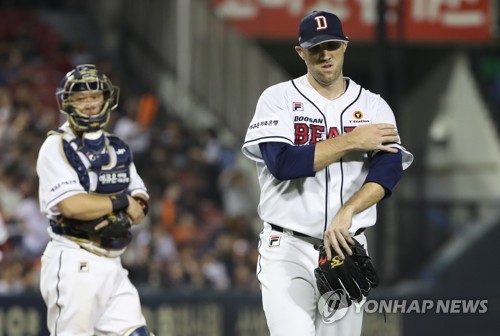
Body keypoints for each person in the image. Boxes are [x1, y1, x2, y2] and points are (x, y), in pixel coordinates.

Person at [241, 11, 414, 336]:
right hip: (288, 248)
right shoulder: (278, 99)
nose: (325, 54)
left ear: (344, 46)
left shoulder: (375, 107)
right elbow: (282, 164)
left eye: (331, 45)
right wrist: (353, 140)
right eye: (315, 47)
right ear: (300, 52)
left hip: (345, 246)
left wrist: (348, 212)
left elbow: (388, 170)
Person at [36, 64, 153, 336]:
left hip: (114, 262)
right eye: (80, 98)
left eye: (94, 96)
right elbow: (71, 205)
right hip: (75, 259)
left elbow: (141, 205)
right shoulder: (56, 146)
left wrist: (117, 206)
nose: (89, 104)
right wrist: (120, 201)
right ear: (67, 102)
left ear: (106, 99)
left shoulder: (118, 146)